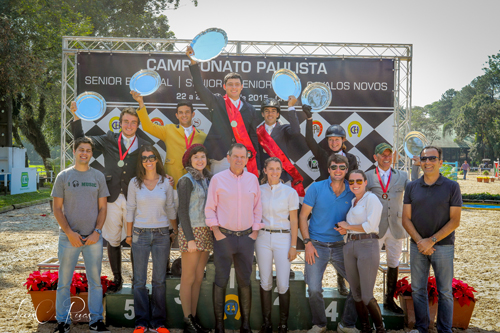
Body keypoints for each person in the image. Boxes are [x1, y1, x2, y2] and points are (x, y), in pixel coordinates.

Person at [71, 102, 162, 293]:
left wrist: (165, 176)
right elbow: (81, 140)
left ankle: (138, 281)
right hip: (111, 197)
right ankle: (117, 279)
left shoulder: (145, 145)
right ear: (120, 123)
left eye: (133, 122)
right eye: (126, 122)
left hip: (135, 198)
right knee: (112, 240)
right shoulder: (109, 139)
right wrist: (76, 118)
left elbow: (155, 165)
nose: (129, 126)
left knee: (137, 241)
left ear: (138, 125)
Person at [51, 137, 110, 333]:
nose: (85, 153)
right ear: (74, 152)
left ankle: (96, 322)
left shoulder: (98, 177)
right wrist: (69, 233)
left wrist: (97, 232)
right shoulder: (63, 176)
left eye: (88, 150)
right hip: (69, 239)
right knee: (64, 282)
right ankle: (63, 322)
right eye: (81, 150)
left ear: (91, 154)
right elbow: (57, 209)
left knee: (95, 282)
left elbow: (103, 208)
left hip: (93, 238)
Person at [205, 143, 263, 333]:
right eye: (236, 156)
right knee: (220, 280)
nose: (239, 160)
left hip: (246, 238)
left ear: (247, 159)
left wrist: (254, 233)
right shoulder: (217, 179)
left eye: (243, 157)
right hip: (224, 238)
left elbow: (257, 208)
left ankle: (245, 325)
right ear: (228, 158)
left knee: (244, 281)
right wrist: (216, 233)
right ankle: (219, 326)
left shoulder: (253, 179)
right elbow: (210, 208)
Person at [402, 146, 462, 333]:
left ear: (440, 162)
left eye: (432, 158)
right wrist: (421, 241)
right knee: (418, 290)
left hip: (443, 247)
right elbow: (405, 219)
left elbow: (455, 221)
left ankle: (445, 330)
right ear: (420, 162)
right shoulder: (411, 186)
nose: (428, 162)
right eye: (424, 159)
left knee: (445, 292)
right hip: (417, 246)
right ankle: (421, 328)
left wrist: (432, 240)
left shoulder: (452, 186)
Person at [298, 154, 357, 333]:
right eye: (333, 167)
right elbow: (302, 217)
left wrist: (349, 229)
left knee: (358, 285)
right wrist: (307, 243)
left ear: (346, 169)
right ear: (328, 169)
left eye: (341, 167)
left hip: (341, 245)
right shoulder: (316, 188)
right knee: (314, 289)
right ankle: (320, 324)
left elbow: (360, 216)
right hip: (316, 245)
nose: (337, 170)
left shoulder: (353, 190)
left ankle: (346, 324)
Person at [302, 105, 358, 294]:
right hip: (322, 198)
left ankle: (341, 280)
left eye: (337, 139)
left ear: (343, 140)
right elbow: (309, 140)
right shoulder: (323, 154)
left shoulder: (352, 158)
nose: (334, 142)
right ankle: (309, 271)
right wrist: (309, 120)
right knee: (316, 230)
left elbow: (354, 180)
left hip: (343, 200)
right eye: (331, 139)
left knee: (342, 241)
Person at [125, 145, 177, 333]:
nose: (148, 161)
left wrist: (175, 230)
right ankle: (141, 322)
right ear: (141, 162)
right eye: (144, 158)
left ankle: (158, 322)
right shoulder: (134, 183)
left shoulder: (166, 182)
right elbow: (130, 209)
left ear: (157, 160)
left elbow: (170, 207)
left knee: (159, 280)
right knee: (139, 280)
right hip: (139, 234)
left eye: (151, 157)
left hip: (162, 234)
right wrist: (129, 234)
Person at [186, 46, 261, 176]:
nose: (234, 87)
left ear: (242, 87)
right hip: (220, 158)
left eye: (237, 84)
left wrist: (257, 165)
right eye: (230, 84)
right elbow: (200, 87)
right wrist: (193, 62)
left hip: (242, 159)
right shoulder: (217, 101)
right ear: (224, 87)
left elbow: (253, 137)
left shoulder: (250, 109)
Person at [367, 143, 419, 314]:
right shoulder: (367, 176)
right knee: (370, 264)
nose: (387, 158)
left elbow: (415, 189)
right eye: (383, 155)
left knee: (393, 263)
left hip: (396, 227)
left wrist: (415, 167)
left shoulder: (402, 176)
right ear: (376, 157)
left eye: (389, 155)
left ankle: (389, 300)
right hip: (375, 227)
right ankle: (368, 299)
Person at [336, 170, 384, 333]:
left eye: (358, 181)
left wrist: (348, 226)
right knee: (355, 294)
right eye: (351, 182)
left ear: (365, 182)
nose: (354, 184)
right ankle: (365, 328)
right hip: (350, 246)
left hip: (367, 245)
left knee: (366, 295)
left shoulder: (371, 199)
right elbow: (355, 226)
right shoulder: (353, 201)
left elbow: (370, 226)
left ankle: (380, 328)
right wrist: (346, 231)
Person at [256, 157, 299, 333]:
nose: (274, 172)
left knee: (283, 283)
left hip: (283, 239)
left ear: (281, 170)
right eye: (271, 169)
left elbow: (294, 220)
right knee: (265, 281)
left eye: (278, 169)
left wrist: (294, 246)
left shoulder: (290, 192)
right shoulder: (258, 191)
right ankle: (266, 323)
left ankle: (283, 324)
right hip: (263, 238)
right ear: (265, 171)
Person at [131, 91, 207, 189]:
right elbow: (147, 127)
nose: (184, 115)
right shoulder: (168, 130)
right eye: (181, 113)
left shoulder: (202, 136)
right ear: (176, 115)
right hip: (172, 181)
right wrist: (141, 102)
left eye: (187, 112)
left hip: (194, 184)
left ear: (193, 114)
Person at [177, 144, 213, 333]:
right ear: (189, 160)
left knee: (199, 277)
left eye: (203, 156)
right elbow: (182, 211)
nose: (200, 160)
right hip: (191, 233)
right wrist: (190, 239)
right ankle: (187, 319)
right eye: (196, 157)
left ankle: (194, 318)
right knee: (188, 278)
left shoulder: (208, 179)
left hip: (205, 232)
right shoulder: (186, 180)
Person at [256, 97, 302, 193]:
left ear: (277, 114)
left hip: (283, 176)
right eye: (267, 111)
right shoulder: (257, 132)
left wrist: (291, 107)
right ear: (262, 114)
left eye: (273, 111)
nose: (270, 114)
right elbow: (257, 154)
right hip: (264, 177)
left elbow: (296, 131)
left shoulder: (283, 129)